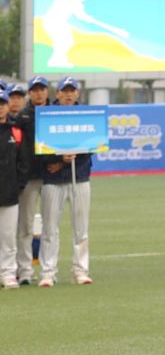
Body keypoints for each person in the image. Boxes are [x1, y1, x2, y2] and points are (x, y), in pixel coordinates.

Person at [36, 78, 93, 286]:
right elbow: (40, 149)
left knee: (81, 228)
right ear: (57, 93)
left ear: (77, 93)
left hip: (80, 177)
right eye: (65, 91)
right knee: (50, 228)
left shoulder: (86, 115)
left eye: (72, 91)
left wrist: (70, 158)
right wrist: (59, 159)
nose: (68, 94)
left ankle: (80, 270)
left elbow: (93, 146)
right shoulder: (46, 116)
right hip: (52, 180)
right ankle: (48, 272)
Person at [9, 80, 38, 283]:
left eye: (19, 97)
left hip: (26, 181)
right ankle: (9, 268)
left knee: (25, 226)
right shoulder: (7, 123)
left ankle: (25, 269)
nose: (15, 101)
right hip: (7, 183)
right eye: (12, 98)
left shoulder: (26, 120)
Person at [0, 84, 22, 289]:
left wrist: (18, 185)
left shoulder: (16, 131)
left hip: (10, 193)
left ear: (8, 106)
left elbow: (23, 163)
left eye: (2, 103)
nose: (0, 107)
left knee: (8, 237)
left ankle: (8, 274)